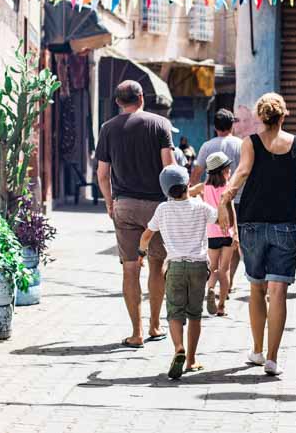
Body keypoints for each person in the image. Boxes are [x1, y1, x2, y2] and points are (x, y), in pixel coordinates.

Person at [219, 93, 296, 376]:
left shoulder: (250, 142)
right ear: (284, 115)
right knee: (278, 291)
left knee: (256, 287)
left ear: (261, 118)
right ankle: (273, 359)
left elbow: (241, 173)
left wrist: (225, 198)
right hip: (286, 223)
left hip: (251, 222)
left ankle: (257, 350)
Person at [95, 80, 175, 349]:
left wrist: (109, 202)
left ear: (118, 102)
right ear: (142, 98)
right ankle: (155, 325)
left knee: (130, 268)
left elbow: (102, 174)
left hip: (125, 205)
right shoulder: (160, 125)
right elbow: (169, 168)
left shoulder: (108, 129)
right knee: (156, 264)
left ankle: (136, 332)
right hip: (157, 207)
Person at [137, 164, 222, 379]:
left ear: (166, 191)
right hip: (198, 267)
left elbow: (146, 236)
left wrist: (141, 254)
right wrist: (225, 199)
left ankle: (178, 348)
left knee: (175, 312)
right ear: (188, 185)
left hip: (174, 266)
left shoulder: (162, 210)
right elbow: (220, 220)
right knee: (195, 314)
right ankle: (192, 360)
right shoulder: (200, 206)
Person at [191, 109, 244, 289]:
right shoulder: (241, 144)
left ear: (215, 127)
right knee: (232, 240)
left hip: (213, 202)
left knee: (214, 241)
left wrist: (196, 192)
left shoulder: (207, 146)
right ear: (232, 125)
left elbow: (197, 172)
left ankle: (214, 283)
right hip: (238, 199)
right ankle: (229, 281)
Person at [202, 152, 238, 317]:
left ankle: (210, 289)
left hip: (212, 233)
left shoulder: (206, 187)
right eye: (228, 168)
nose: (230, 170)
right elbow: (232, 212)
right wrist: (235, 233)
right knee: (225, 270)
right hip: (227, 232)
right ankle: (222, 306)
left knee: (213, 268)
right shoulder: (227, 188)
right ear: (223, 171)